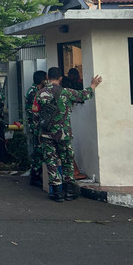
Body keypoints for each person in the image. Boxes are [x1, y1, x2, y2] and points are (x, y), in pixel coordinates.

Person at [35, 67, 102, 202]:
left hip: (47, 134)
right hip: (63, 134)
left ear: (48, 77)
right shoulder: (66, 92)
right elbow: (84, 95)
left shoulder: (40, 94)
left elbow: (35, 115)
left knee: (51, 161)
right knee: (67, 161)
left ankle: (57, 192)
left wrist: (39, 132)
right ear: (60, 78)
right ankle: (70, 191)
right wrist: (93, 85)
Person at [24, 70, 47, 187]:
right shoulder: (34, 92)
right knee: (38, 151)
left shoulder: (34, 90)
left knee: (39, 149)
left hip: (36, 124)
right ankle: (35, 175)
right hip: (36, 124)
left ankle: (36, 174)